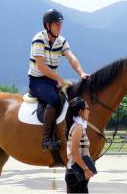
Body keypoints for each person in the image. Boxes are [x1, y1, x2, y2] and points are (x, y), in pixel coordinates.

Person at [27, 9, 89, 151]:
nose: (60, 27)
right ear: (47, 25)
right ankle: (46, 140)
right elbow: (41, 66)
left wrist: (81, 72)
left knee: (72, 95)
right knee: (54, 99)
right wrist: (60, 79)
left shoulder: (61, 41)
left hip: (51, 80)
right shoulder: (38, 39)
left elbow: (71, 57)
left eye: (60, 24)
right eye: (56, 24)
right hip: (37, 81)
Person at [65, 97, 94, 193]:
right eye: (87, 109)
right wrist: (85, 169)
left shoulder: (79, 126)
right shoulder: (78, 128)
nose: (89, 111)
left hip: (77, 172)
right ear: (81, 112)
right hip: (76, 173)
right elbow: (74, 152)